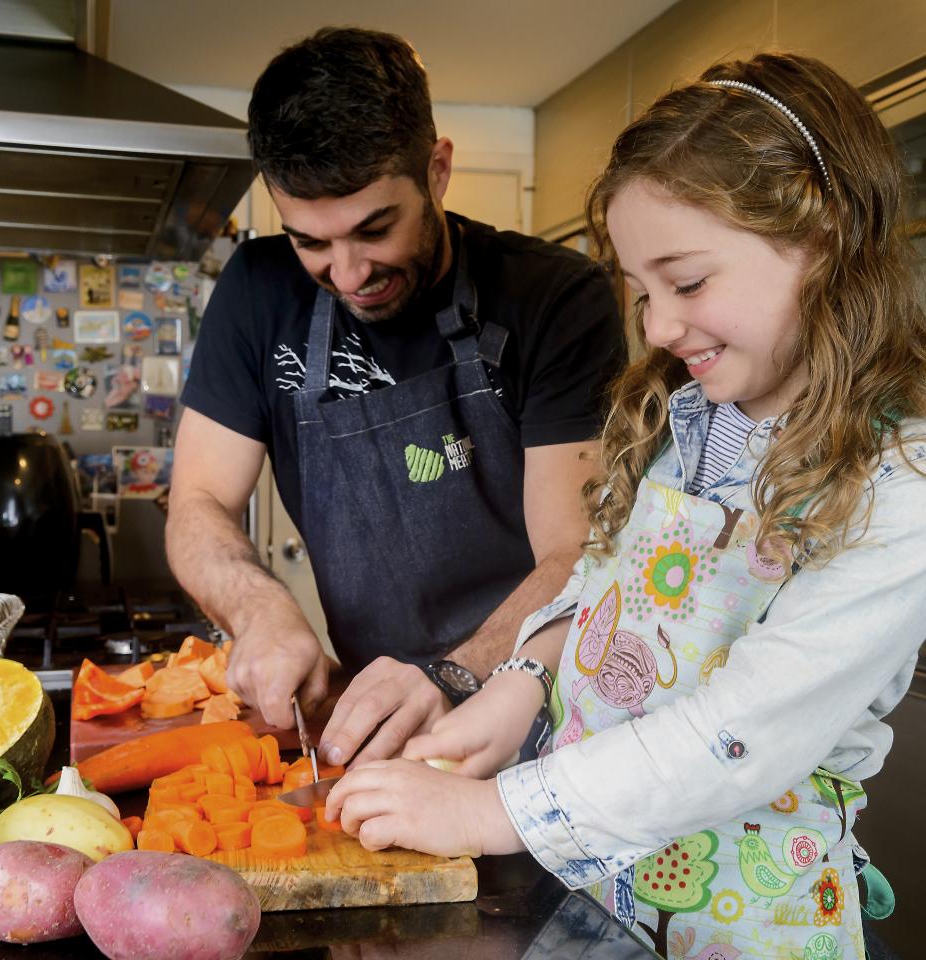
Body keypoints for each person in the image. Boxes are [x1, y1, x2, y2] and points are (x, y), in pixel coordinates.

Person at [327, 52, 926, 959]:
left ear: (829, 236)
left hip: (750, 923)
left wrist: (491, 811)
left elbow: (744, 732)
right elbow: (604, 591)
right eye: (643, 291)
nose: (655, 327)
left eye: (687, 283)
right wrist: (524, 683)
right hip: (596, 901)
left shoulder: (909, 485)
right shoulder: (680, 419)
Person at [168, 27, 626, 764]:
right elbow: (198, 504)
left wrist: (451, 676)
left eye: (375, 229)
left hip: (548, 714)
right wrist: (259, 609)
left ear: (437, 170)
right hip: (377, 724)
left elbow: (575, 552)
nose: (347, 274)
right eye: (310, 242)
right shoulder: (256, 291)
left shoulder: (554, 299)